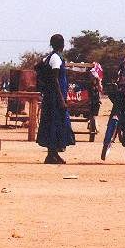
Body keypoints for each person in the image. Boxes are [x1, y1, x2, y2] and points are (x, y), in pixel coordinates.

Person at [36, 34, 75, 164]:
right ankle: (52, 155)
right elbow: (55, 80)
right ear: (62, 45)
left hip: (52, 97)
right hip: (55, 98)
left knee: (53, 124)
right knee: (55, 124)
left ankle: (53, 154)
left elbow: (37, 66)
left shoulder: (49, 57)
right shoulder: (56, 59)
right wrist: (62, 100)